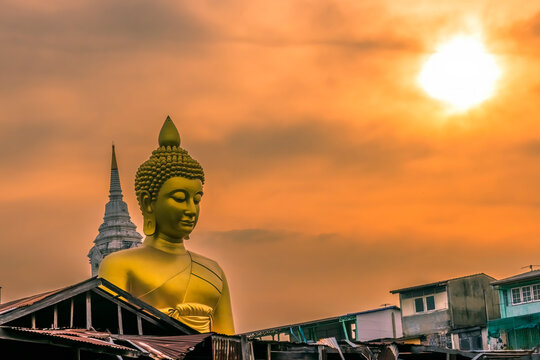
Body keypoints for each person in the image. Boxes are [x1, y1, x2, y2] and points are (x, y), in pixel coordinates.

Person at [99, 116, 234, 335]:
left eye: (197, 199)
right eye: (180, 198)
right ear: (147, 202)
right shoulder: (119, 265)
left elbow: (230, 347)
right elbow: (112, 340)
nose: (191, 209)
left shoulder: (213, 271)